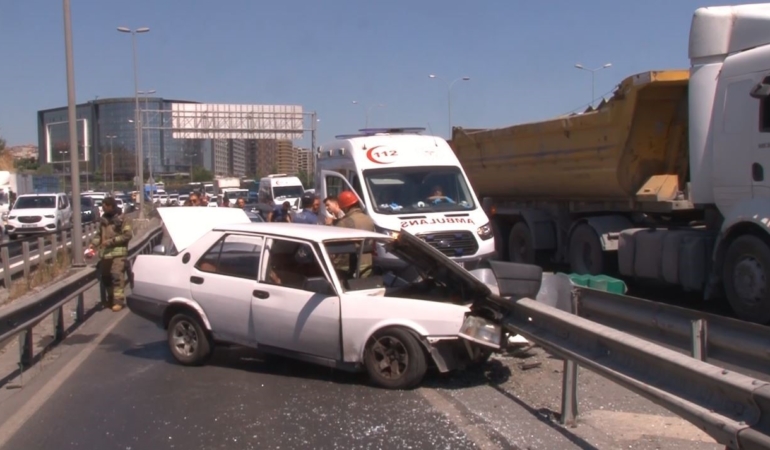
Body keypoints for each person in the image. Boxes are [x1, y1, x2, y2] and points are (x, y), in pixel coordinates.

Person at [89, 197, 132, 312]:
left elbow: (127, 235)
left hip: (118, 254)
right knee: (106, 278)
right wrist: (93, 244)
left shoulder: (123, 219)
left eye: (105, 206)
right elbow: (99, 235)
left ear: (111, 206)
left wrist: (112, 241)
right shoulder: (103, 220)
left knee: (116, 276)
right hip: (105, 255)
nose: (103, 208)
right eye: (102, 206)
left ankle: (118, 301)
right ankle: (111, 298)